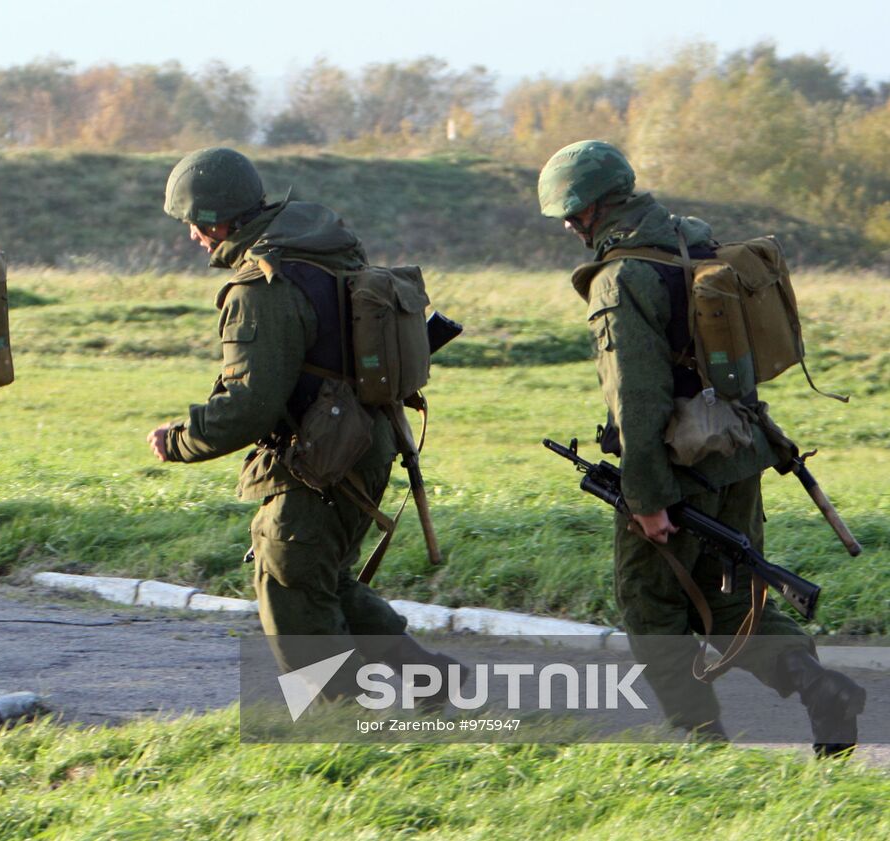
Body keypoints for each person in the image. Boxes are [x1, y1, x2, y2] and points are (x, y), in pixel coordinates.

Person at [537, 139, 865, 755]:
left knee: (651, 607)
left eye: (572, 213)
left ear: (594, 210)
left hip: (676, 465)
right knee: (733, 595)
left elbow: (635, 400)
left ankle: (701, 744)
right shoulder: (697, 243)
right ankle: (822, 689)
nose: (568, 225)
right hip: (740, 447)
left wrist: (648, 498)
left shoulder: (620, 278)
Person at [148, 147, 460, 702]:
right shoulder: (326, 248)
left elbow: (250, 404)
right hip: (369, 438)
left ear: (216, 219)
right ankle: (434, 683)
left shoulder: (261, 285)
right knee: (325, 580)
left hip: (321, 456)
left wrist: (178, 440)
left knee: (288, 584)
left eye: (193, 224)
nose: (192, 236)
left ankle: (342, 719)